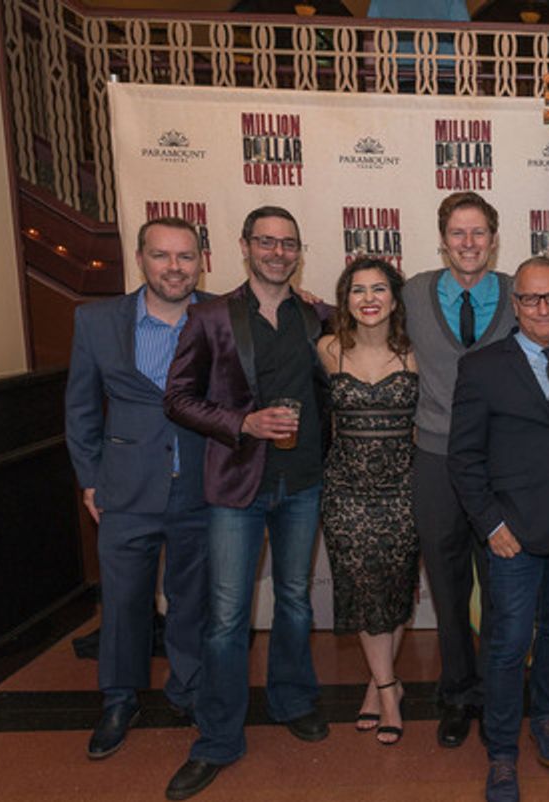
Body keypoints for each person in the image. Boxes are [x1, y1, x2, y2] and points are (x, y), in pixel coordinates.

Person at [162, 206, 331, 801]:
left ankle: (292, 701)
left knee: (293, 601)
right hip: (237, 487)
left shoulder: (315, 316)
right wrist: (244, 421)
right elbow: (177, 398)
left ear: (299, 251)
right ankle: (217, 739)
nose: (278, 252)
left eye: (288, 243)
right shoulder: (209, 317)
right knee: (228, 618)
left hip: (304, 482)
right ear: (245, 246)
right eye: (267, 242)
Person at [448, 257, 549, 802]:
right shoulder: (483, 366)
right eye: (531, 299)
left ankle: (548, 718)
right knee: (509, 643)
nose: (543, 309)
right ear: (514, 305)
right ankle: (503, 750)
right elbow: (463, 458)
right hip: (512, 531)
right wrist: (490, 525)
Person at [65, 217, 210, 760]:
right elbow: (80, 409)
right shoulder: (96, 321)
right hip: (123, 490)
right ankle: (120, 699)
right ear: (141, 259)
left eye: (185, 256)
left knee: (191, 599)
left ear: (202, 261)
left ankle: (189, 688)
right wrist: (89, 480)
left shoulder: (220, 314)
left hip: (199, 485)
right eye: (162, 256)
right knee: (124, 602)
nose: (174, 267)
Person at [401, 191, 516, 748]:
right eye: (458, 233)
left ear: (494, 240)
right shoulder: (412, 292)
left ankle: (496, 694)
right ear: (443, 239)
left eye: (479, 233)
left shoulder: (522, 294)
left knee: (500, 587)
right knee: (447, 589)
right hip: (437, 459)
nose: (468, 244)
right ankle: (457, 693)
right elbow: (355, 315)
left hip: (501, 464)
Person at [317, 257, 419, 746]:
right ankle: (388, 689)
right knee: (363, 591)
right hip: (346, 492)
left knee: (395, 592)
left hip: (404, 490)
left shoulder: (416, 353)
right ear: (346, 300)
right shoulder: (328, 349)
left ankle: (377, 684)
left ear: (395, 299)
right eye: (358, 290)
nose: (369, 299)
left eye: (379, 289)